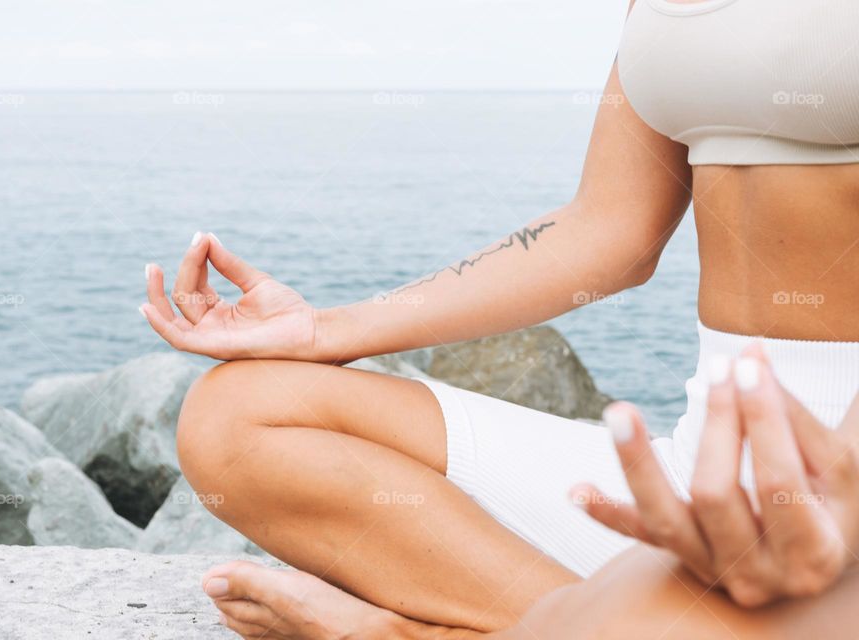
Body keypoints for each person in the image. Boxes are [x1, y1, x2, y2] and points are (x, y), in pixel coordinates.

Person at [139, 0, 859, 637]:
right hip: (701, 475)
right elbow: (608, 232)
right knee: (238, 415)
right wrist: (324, 330)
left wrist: (838, 498)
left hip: (844, 493)